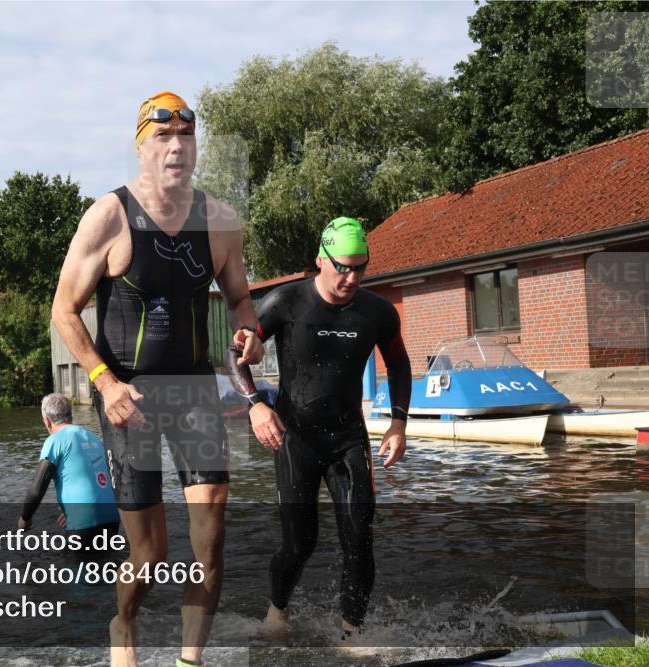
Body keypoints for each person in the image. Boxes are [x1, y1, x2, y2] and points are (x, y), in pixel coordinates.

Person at [51, 90, 263, 667]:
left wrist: (250, 331)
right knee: (147, 557)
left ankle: (188, 661)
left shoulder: (219, 220)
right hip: (130, 396)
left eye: (186, 138)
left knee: (211, 530)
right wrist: (104, 382)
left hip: (194, 390)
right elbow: (63, 310)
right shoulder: (110, 216)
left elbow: (242, 299)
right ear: (141, 149)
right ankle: (124, 625)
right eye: (163, 139)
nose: (176, 148)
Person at [227, 216, 412, 640]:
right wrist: (256, 405)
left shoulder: (377, 312)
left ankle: (352, 634)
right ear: (320, 260)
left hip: (348, 437)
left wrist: (399, 422)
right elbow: (234, 351)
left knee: (359, 536)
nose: (351, 277)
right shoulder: (285, 302)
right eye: (342, 266)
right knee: (300, 543)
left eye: (360, 267)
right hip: (296, 438)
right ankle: (277, 611)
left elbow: (399, 363)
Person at [19, 394, 120, 548]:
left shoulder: (54, 440)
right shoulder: (93, 438)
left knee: (75, 569)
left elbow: (37, 488)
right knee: (105, 566)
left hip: (84, 520)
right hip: (113, 518)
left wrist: (25, 518)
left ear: (46, 421)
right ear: (70, 416)